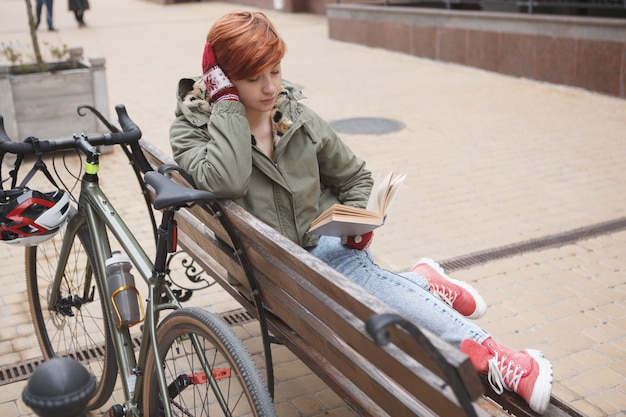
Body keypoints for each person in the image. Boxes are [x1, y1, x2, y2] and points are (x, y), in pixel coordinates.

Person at [169, 11, 553, 414]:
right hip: (268, 273)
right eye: (252, 79)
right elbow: (226, 181)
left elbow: (355, 176)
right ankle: (422, 286)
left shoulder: (298, 117)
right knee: (357, 294)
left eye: (276, 71)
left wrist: (356, 223)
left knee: (350, 278)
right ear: (223, 81)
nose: (270, 88)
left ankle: (495, 355)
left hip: (325, 250)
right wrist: (228, 106)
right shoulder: (193, 131)